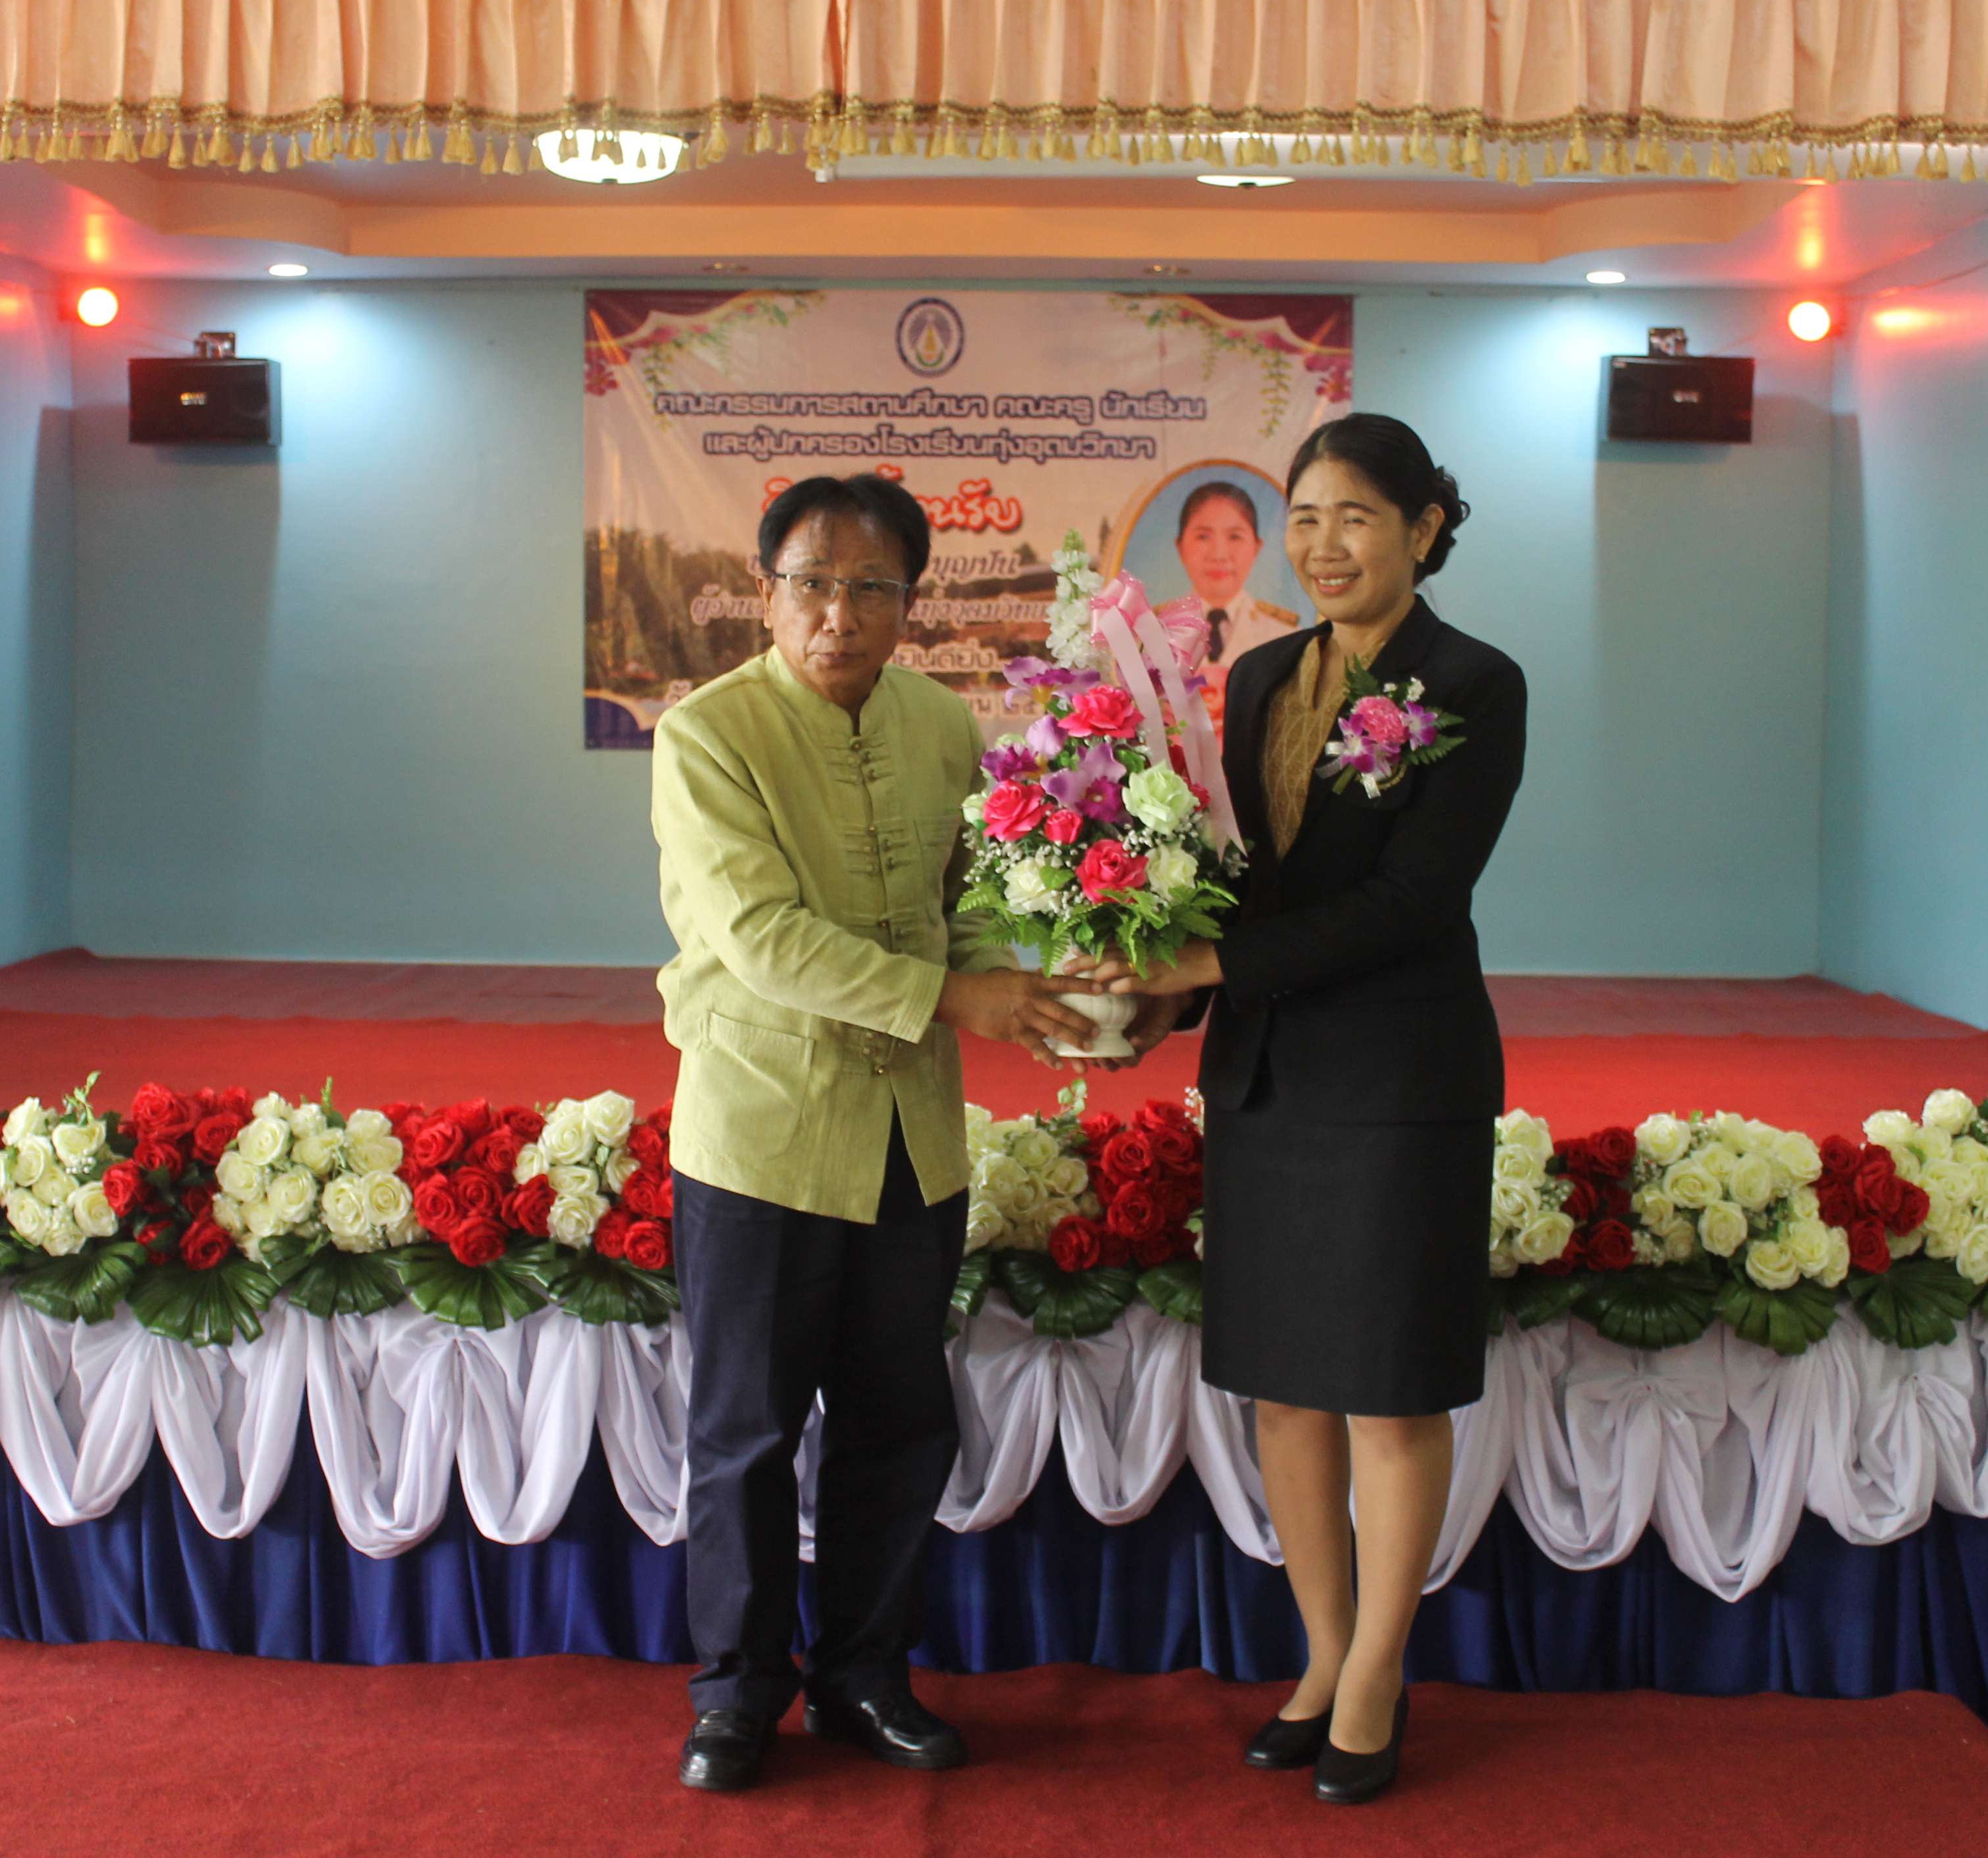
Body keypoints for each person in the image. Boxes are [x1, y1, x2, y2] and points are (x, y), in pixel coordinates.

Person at [650, 472, 1109, 1794]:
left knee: (897, 1424)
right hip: (763, 1134)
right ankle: (736, 1693)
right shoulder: (708, 735)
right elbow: (761, 937)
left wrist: (1048, 987)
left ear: (912, 603)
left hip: (913, 1137)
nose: (836, 615)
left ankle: (863, 1673)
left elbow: (966, 907)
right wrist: (962, 998)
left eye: (869, 589)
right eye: (810, 583)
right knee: (745, 1431)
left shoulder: (942, 726)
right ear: (764, 590)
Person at [1105, 414, 1527, 1806]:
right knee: (1285, 1389)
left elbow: (1415, 899)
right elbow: (1244, 886)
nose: (1323, 544)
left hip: (1399, 1081)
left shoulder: (1473, 681)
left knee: (1389, 1392)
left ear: (1424, 528)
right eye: (1304, 517)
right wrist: (1152, 987)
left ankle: (1379, 1673)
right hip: (1270, 1076)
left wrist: (1210, 967)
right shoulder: (1259, 676)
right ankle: (1323, 1651)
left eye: (1355, 515)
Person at [1166, 480, 1304, 675]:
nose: (1219, 555)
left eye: (1235, 537)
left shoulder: (1287, 636)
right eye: (1203, 537)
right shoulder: (1153, 633)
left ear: (1257, 547)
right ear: (1180, 547)